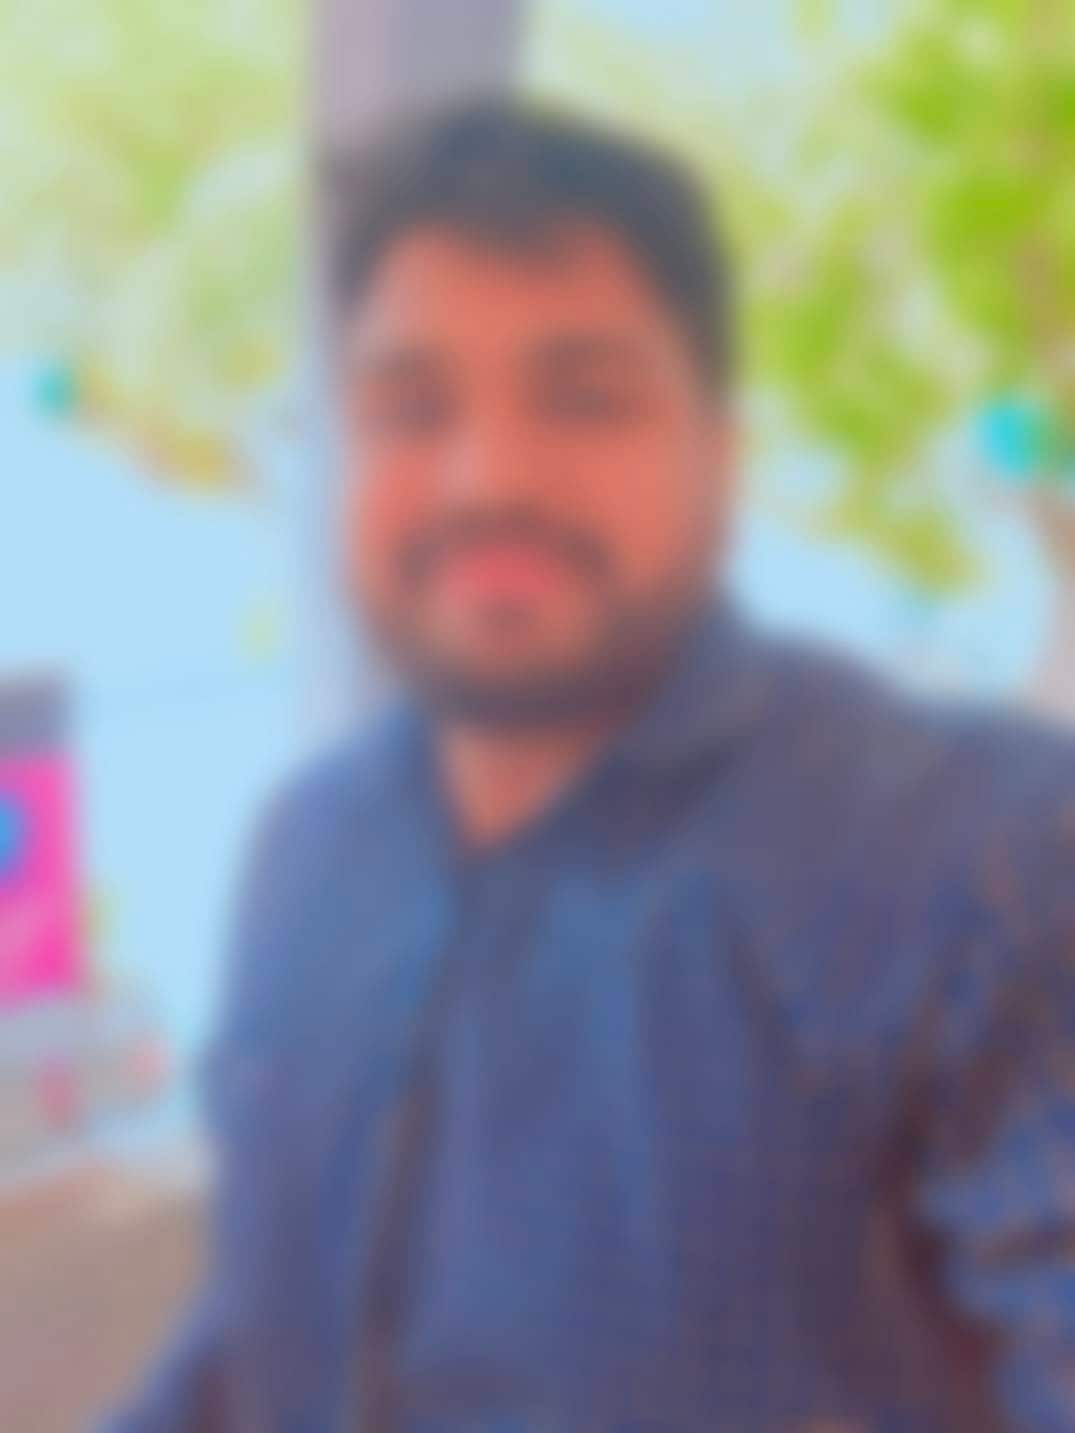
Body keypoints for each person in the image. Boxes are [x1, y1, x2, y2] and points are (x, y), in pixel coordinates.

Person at [104, 99, 1075, 1433]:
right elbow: (268, 1335)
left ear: (720, 454)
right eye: (409, 406)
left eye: (586, 398)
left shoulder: (982, 861)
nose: (487, 476)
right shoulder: (308, 847)